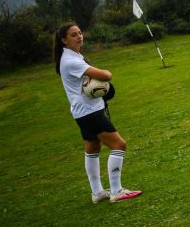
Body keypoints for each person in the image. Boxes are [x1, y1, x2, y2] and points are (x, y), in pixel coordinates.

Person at [54, 22, 142, 204]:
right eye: (73, 35)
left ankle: (97, 192)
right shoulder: (70, 60)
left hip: (83, 112)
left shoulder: (72, 56)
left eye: (80, 32)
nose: (79, 36)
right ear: (63, 40)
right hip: (89, 112)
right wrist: (106, 73)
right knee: (119, 145)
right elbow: (105, 76)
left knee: (92, 149)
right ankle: (117, 191)